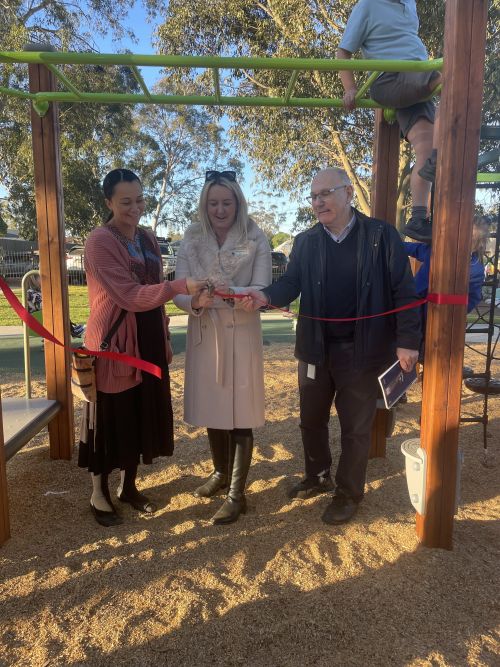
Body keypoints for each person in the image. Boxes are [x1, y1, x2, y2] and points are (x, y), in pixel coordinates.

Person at [241, 167, 421, 525]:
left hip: (363, 350)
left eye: (325, 193)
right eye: (313, 196)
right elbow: (290, 283)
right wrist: (262, 295)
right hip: (316, 349)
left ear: (349, 193)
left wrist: (407, 342)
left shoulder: (381, 235)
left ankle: (349, 491)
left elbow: (404, 290)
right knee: (311, 420)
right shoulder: (306, 241)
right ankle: (317, 475)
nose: (318, 201)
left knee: (356, 427)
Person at [79, 168, 206, 527]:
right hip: (116, 342)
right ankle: (97, 492)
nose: (135, 208)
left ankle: (128, 487)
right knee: (110, 417)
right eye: (125, 202)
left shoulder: (148, 238)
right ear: (108, 202)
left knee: (139, 413)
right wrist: (181, 284)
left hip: (147, 335)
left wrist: (185, 300)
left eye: (139, 200)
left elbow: (156, 288)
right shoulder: (99, 241)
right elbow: (129, 295)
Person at [173, 170, 272, 524]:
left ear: (237, 203)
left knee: (241, 412)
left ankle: (237, 493)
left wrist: (244, 297)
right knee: (214, 408)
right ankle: (219, 472)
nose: (219, 209)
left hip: (241, 330)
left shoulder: (256, 236)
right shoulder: (191, 236)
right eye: (213, 203)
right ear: (205, 204)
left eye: (226, 202)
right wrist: (195, 301)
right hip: (205, 330)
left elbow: (262, 285)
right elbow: (179, 290)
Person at [337, 0, 441, 243]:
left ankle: (417, 218)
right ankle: (442, 150)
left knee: (427, 148)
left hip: (419, 82)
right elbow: (343, 51)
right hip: (390, 79)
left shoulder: (410, 4)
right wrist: (350, 88)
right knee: (449, 76)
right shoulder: (368, 5)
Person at [405, 214, 489, 352]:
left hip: (444, 313)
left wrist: (457, 310)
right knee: (407, 336)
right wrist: (391, 243)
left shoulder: (475, 268)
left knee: (436, 344)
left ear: (477, 245)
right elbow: (411, 248)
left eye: (469, 241)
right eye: (458, 238)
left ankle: (425, 356)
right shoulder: (436, 252)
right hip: (414, 304)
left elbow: (474, 296)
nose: (460, 244)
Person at [25, 272, 85, 337]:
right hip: (34, 321)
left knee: (58, 309)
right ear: (35, 281)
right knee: (57, 310)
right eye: (41, 278)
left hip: (38, 318)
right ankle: (72, 331)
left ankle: (71, 329)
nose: (44, 280)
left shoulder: (36, 292)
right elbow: (42, 305)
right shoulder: (31, 293)